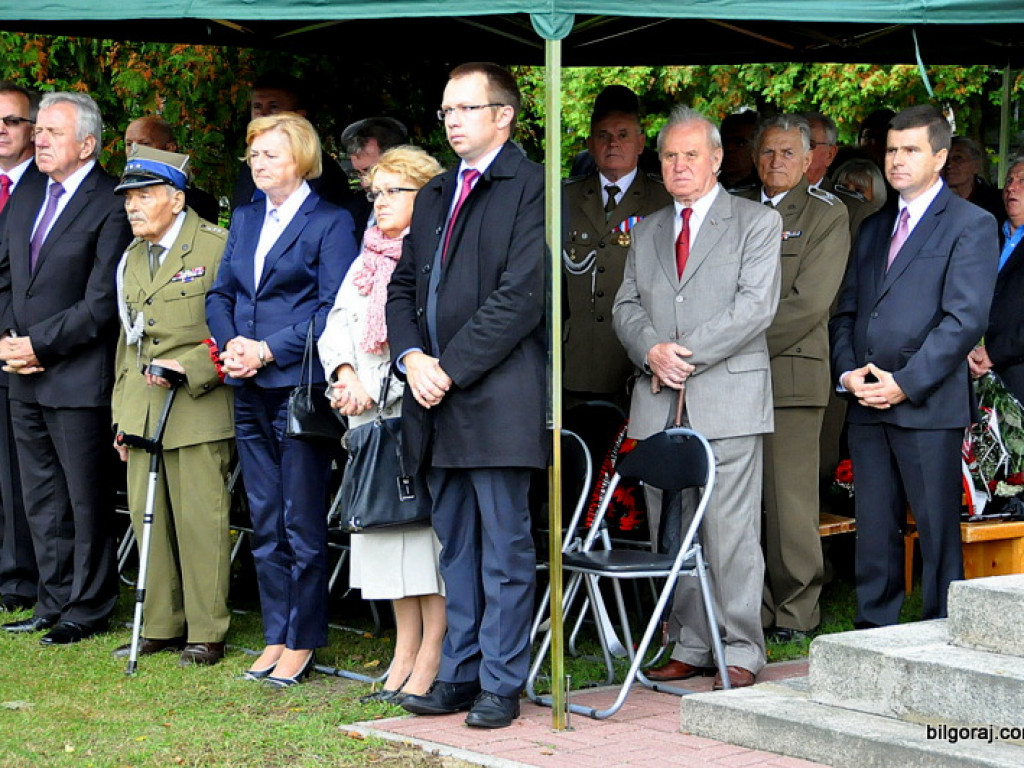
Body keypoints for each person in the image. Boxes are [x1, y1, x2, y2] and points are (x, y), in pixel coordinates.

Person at [388, 62, 545, 729]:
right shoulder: (434, 193)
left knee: (504, 551)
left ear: (503, 116)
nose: (452, 120)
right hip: (433, 397)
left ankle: (501, 683)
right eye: (447, 110)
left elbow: (522, 297)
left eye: (466, 108)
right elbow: (402, 288)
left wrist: (447, 367)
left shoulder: (533, 186)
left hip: (496, 398)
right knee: (455, 547)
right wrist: (412, 358)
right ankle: (460, 672)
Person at [613, 105, 781, 690]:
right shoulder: (648, 228)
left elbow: (755, 308)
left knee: (730, 532)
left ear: (716, 159)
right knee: (672, 529)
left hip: (727, 398)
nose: (679, 165)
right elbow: (625, 305)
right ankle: (691, 641)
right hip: (659, 399)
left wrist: (679, 356)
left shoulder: (756, 222)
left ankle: (741, 647)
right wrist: (650, 351)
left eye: (691, 155)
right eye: (669, 156)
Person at [830, 105, 999, 627]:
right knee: (874, 531)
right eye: (891, 150)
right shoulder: (873, 227)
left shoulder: (971, 224)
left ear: (940, 156)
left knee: (937, 532)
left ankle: (943, 635)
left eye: (910, 150)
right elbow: (847, 310)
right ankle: (872, 634)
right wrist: (848, 374)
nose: (896, 160)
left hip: (926, 405)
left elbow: (964, 320)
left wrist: (905, 383)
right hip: (867, 400)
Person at [206, 112, 357, 685]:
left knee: (300, 519)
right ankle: (276, 633)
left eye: (270, 153)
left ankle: (304, 638)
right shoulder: (246, 217)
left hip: (298, 387)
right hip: (246, 384)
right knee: (264, 516)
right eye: (254, 154)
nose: (258, 163)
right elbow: (220, 294)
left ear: (301, 158)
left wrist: (267, 350)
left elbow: (331, 308)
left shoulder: (331, 221)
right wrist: (232, 345)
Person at [0, 92, 133, 644]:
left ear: (87, 144)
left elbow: (102, 302)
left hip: (77, 375)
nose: (40, 139)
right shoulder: (30, 192)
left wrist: (39, 346)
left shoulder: (110, 201)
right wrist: (10, 341)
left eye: (53, 132)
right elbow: (9, 275)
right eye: (40, 131)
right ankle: (50, 601)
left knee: (85, 497)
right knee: (42, 498)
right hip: (22, 371)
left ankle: (90, 605)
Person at [319, 145, 446, 703]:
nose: (380, 202)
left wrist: (379, 386)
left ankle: (432, 653)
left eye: (395, 191)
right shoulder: (367, 254)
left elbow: (426, 340)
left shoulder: (434, 253)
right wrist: (346, 375)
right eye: (376, 192)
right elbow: (336, 325)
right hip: (365, 419)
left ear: (427, 195)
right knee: (385, 542)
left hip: (412, 416)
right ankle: (403, 650)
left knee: (420, 545)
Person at [109, 146, 235, 666]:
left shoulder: (216, 246)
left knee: (201, 519)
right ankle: (160, 624)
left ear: (177, 199)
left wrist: (194, 367)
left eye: (144, 196)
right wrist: (121, 416)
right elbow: (128, 344)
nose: (132, 207)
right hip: (143, 404)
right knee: (149, 520)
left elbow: (236, 327)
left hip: (198, 404)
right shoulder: (132, 256)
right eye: (129, 198)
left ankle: (207, 630)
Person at [736, 114, 850, 641]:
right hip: (734, 379)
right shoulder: (735, 207)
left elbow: (809, 303)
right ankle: (752, 608)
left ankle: (797, 611)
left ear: (808, 161)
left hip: (789, 374)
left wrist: (730, 344)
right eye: (767, 152)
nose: (776, 162)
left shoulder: (827, 213)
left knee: (790, 503)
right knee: (743, 501)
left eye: (787, 153)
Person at [562, 90, 670, 408]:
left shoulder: (665, 199)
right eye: (603, 136)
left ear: (640, 143)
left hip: (637, 361)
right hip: (576, 362)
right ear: (589, 143)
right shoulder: (564, 198)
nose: (613, 144)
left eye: (623, 135)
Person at [0, 81, 41, 615]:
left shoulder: (44, 188)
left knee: (16, 475)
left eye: (11, 120)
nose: (1, 130)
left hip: (17, 346)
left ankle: (17, 578)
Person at [229, 73, 350, 212]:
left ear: (299, 116)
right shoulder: (250, 166)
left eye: (273, 107)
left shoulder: (326, 175)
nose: (262, 114)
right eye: (257, 106)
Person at [969, 157, 1024, 403]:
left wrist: (993, 353)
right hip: (971, 367)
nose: (1011, 187)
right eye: (1009, 180)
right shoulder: (986, 235)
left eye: (1022, 181)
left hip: (1016, 377)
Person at [124, 116, 220, 224]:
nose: (134, 150)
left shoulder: (199, 204)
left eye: (145, 144)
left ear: (170, 148)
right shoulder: (118, 198)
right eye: (129, 144)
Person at [801, 112, 880, 237]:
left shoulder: (855, 210)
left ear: (830, 155)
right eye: (792, 145)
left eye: (810, 144)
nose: (797, 151)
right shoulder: (767, 198)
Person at [339, 116, 409, 234]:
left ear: (396, 160)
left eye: (370, 170)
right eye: (358, 173)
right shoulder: (355, 210)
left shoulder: (422, 209)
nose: (364, 182)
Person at [943, 136, 1004, 221]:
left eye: (958, 158)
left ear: (976, 166)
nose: (949, 165)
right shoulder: (934, 200)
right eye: (945, 159)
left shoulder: (997, 202)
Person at [719, 110, 760, 192]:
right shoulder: (705, 185)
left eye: (739, 143)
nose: (729, 148)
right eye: (724, 142)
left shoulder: (767, 189)